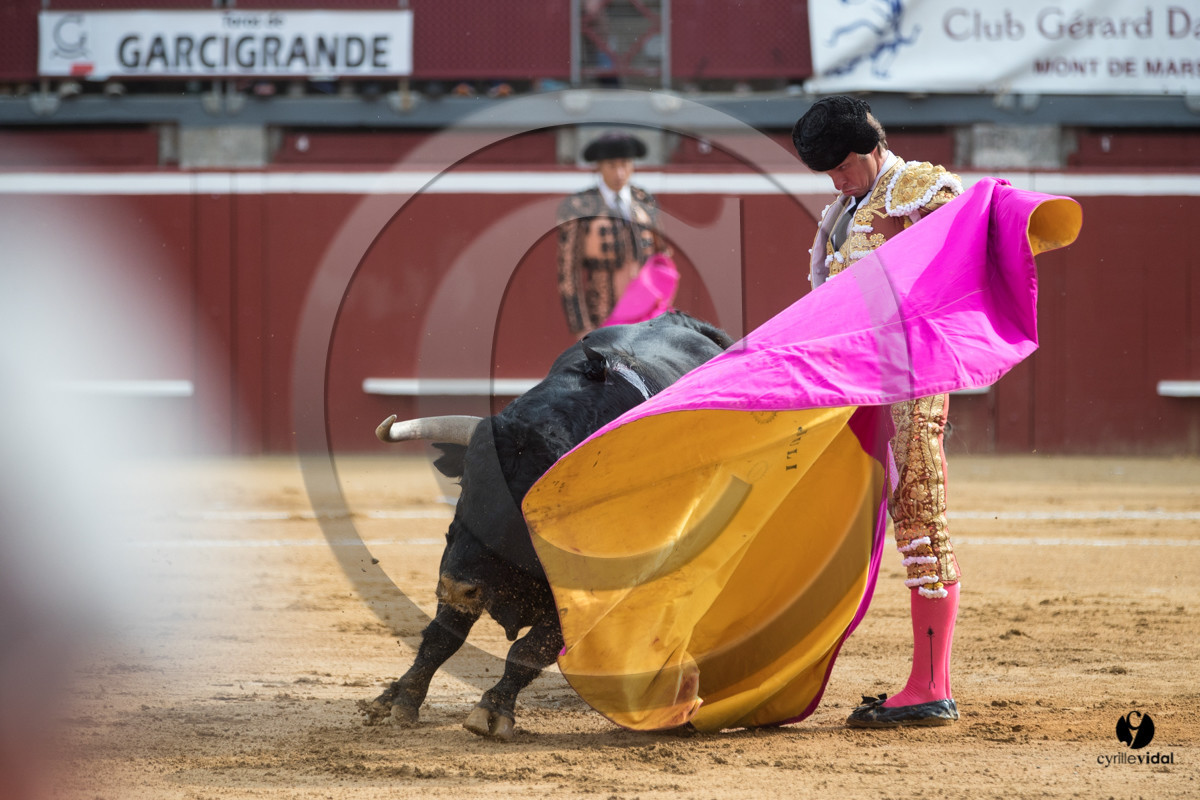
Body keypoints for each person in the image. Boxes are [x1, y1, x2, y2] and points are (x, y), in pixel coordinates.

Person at [792, 95, 965, 728]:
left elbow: (968, 260)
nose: (834, 182)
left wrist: (910, 251)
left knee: (920, 517)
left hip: (910, 382)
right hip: (850, 387)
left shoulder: (922, 190)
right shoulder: (839, 212)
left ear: (868, 149)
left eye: (840, 168)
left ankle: (931, 685)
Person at [556, 132, 673, 338]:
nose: (620, 172)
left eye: (625, 164)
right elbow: (568, 273)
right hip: (602, 314)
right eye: (611, 165)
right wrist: (581, 325)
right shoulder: (579, 206)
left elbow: (661, 258)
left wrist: (661, 306)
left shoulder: (644, 200)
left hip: (647, 312)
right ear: (599, 167)